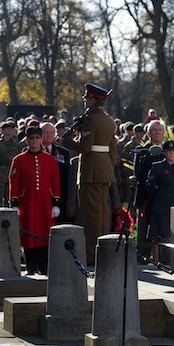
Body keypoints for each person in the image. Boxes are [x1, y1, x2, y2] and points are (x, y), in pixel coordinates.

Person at [57, 83, 117, 265]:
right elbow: (113, 151)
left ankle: (92, 255)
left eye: (87, 98)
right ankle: (104, 250)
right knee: (102, 215)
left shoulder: (90, 120)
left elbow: (84, 147)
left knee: (91, 217)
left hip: (90, 173)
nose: (85, 101)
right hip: (104, 172)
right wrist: (105, 166)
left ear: (93, 100)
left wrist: (64, 142)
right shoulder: (108, 120)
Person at [9, 126, 61, 275]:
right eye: (31, 138)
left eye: (37, 138)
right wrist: (14, 202)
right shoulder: (18, 160)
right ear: (27, 140)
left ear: (42, 139)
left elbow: (55, 181)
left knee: (45, 233)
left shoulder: (50, 159)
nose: (35, 141)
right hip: (27, 202)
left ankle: (44, 267)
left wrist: (56, 202)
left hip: (45, 203)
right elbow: (14, 182)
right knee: (28, 233)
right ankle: (31, 267)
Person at [133, 119, 166, 261]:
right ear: (149, 133)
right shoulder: (142, 151)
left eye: (160, 130)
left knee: (163, 228)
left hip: (163, 195)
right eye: (154, 130)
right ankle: (142, 255)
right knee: (143, 227)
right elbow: (138, 173)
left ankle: (163, 257)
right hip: (146, 196)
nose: (157, 133)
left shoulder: (169, 149)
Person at [40, 121, 70, 223]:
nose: (49, 135)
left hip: (58, 197)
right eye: (46, 132)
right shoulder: (31, 151)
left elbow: (67, 177)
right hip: (40, 195)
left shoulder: (63, 153)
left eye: (51, 132)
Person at [0, 121, 22, 207]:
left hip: (11, 172)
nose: (9, 131)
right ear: (3, 130)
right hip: (0, 174)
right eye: (7, 129)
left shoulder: (16, 145)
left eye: (11, 129)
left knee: (9, 197)